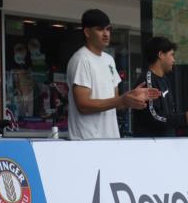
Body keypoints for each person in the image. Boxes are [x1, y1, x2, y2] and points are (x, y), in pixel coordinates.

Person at [67, 9, 160, 141]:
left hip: (110, 140)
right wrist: (122, 100)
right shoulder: (81, 59)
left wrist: (130, 99)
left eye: (108, 29)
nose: (106, 34)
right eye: (100, 29)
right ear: (87, 32)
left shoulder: (109, 59)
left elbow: (115, 102)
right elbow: (83, 105)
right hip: (86, 141)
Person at [131, 36, 188, 137]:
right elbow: (154, 117)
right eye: (171, 55)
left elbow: (168, 118)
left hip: (166, 144)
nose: (174, 60)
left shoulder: (164, 80)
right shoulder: (147, 81)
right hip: (150, 147)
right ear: (160, 55)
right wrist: (184, 118)